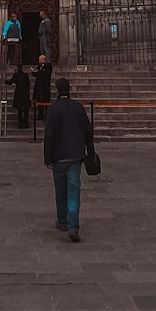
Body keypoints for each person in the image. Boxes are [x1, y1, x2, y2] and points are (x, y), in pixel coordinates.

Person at [43, 77, 95, 243]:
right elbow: (88, 130)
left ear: (57, 90)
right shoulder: (77, 107)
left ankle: (63, 221)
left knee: (60, 189)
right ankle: (73, 226)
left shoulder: (53, 109)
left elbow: (49, 135)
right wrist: (90, 151)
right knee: (74, 190)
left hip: (59, 157)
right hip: (75, 155)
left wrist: (47, 157)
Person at [8, 64, 30, 129]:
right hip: (25, 93)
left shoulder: (16, 75)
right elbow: (28, 84)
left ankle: (20, 124)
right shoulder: (25, 75)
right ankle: (26, 123)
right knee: (26, 109)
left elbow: (10, 82)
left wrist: (6, 82)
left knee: (19, 109)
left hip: (18, 93)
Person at [32, 53, 52, 120]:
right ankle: (40, 115)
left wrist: (38, 72)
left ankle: (46, 115)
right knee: (39, 100)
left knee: (46, 101)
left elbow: (46, 74)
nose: (39, 61)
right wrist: (33, 71)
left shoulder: (48, 66)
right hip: (39, 87)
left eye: (41, 60)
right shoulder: (39, 66)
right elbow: (36, 74)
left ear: (44, 60)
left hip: (45, 87)